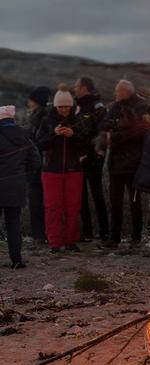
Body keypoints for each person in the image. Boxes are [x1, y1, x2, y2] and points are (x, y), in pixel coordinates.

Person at [36, 86, 87, 253]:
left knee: (73, 206)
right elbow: (39, 144)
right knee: (52, 207)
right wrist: (54, 133)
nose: (64, 109)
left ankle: (71, 241)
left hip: (74, 170)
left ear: (71, 106)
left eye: (67, 106)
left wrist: (73, 135)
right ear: (55, 106)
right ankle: (54, 243)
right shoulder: (47, 121)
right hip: (51, 170)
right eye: (61, 106)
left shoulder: (78, 121)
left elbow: (86, 144)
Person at [101, 80, 148, 247]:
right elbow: (104, 124)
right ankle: (114, 238)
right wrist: (118, 125)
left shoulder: (141, 105)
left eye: (117, 91)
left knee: (134, 202)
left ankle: (136, 238)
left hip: (133, 162)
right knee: (115, 202)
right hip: (115, 162)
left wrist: (114, 136)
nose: (115, 94)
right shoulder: (116, 105)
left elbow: (138, 130)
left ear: (126, 91)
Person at [0, 105, 40, 268]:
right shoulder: (24, 136)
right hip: (16, 185)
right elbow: (36, 161)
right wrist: (24, 176)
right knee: (13, 223)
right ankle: (16, 260)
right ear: (12, 119)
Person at [73, 76, 108, 242]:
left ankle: (104, 232)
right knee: (81, 197)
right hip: (78, 158)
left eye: (76, 86)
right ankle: (87, 233)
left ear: (84, 87)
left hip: (93, 158)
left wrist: (94, 154)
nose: (74, 89)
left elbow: (102, 133)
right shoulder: (76, 106)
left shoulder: (97, 106)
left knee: (97, 195)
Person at [25, 86, 51, 244]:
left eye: (31, 100)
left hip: (41, 165)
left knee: (39, 200)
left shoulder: (43, 118)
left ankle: (40, 234)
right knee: (37, 200)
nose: (28, 103)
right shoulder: (38, 117)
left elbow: (43, 142)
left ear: (37, 102)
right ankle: (39, 234)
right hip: (38, 164)